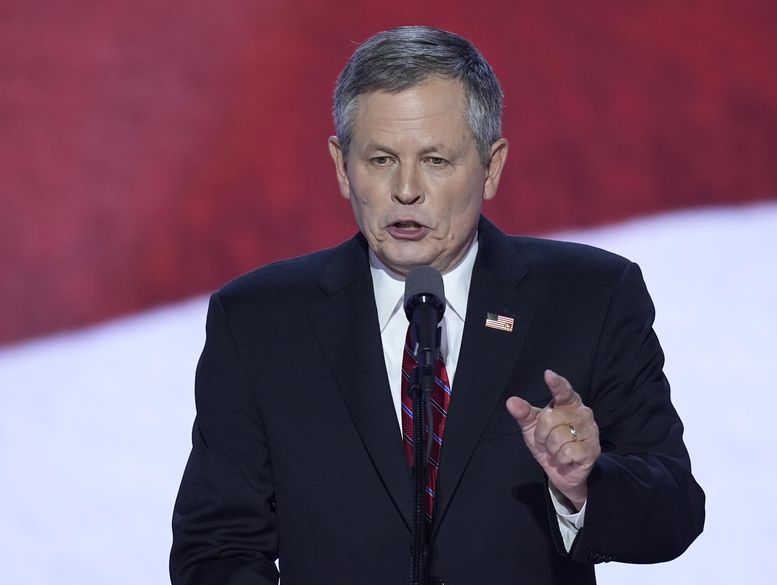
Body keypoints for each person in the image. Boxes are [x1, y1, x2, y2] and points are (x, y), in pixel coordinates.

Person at [170, 25, 705, 585]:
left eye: (436, 160)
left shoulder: (590, 298)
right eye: (381, 159)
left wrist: (582, 485)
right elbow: (215, 549)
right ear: (341, 166)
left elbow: (675, 512)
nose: (406, 189)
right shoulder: (259, 321)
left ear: (491, 167)